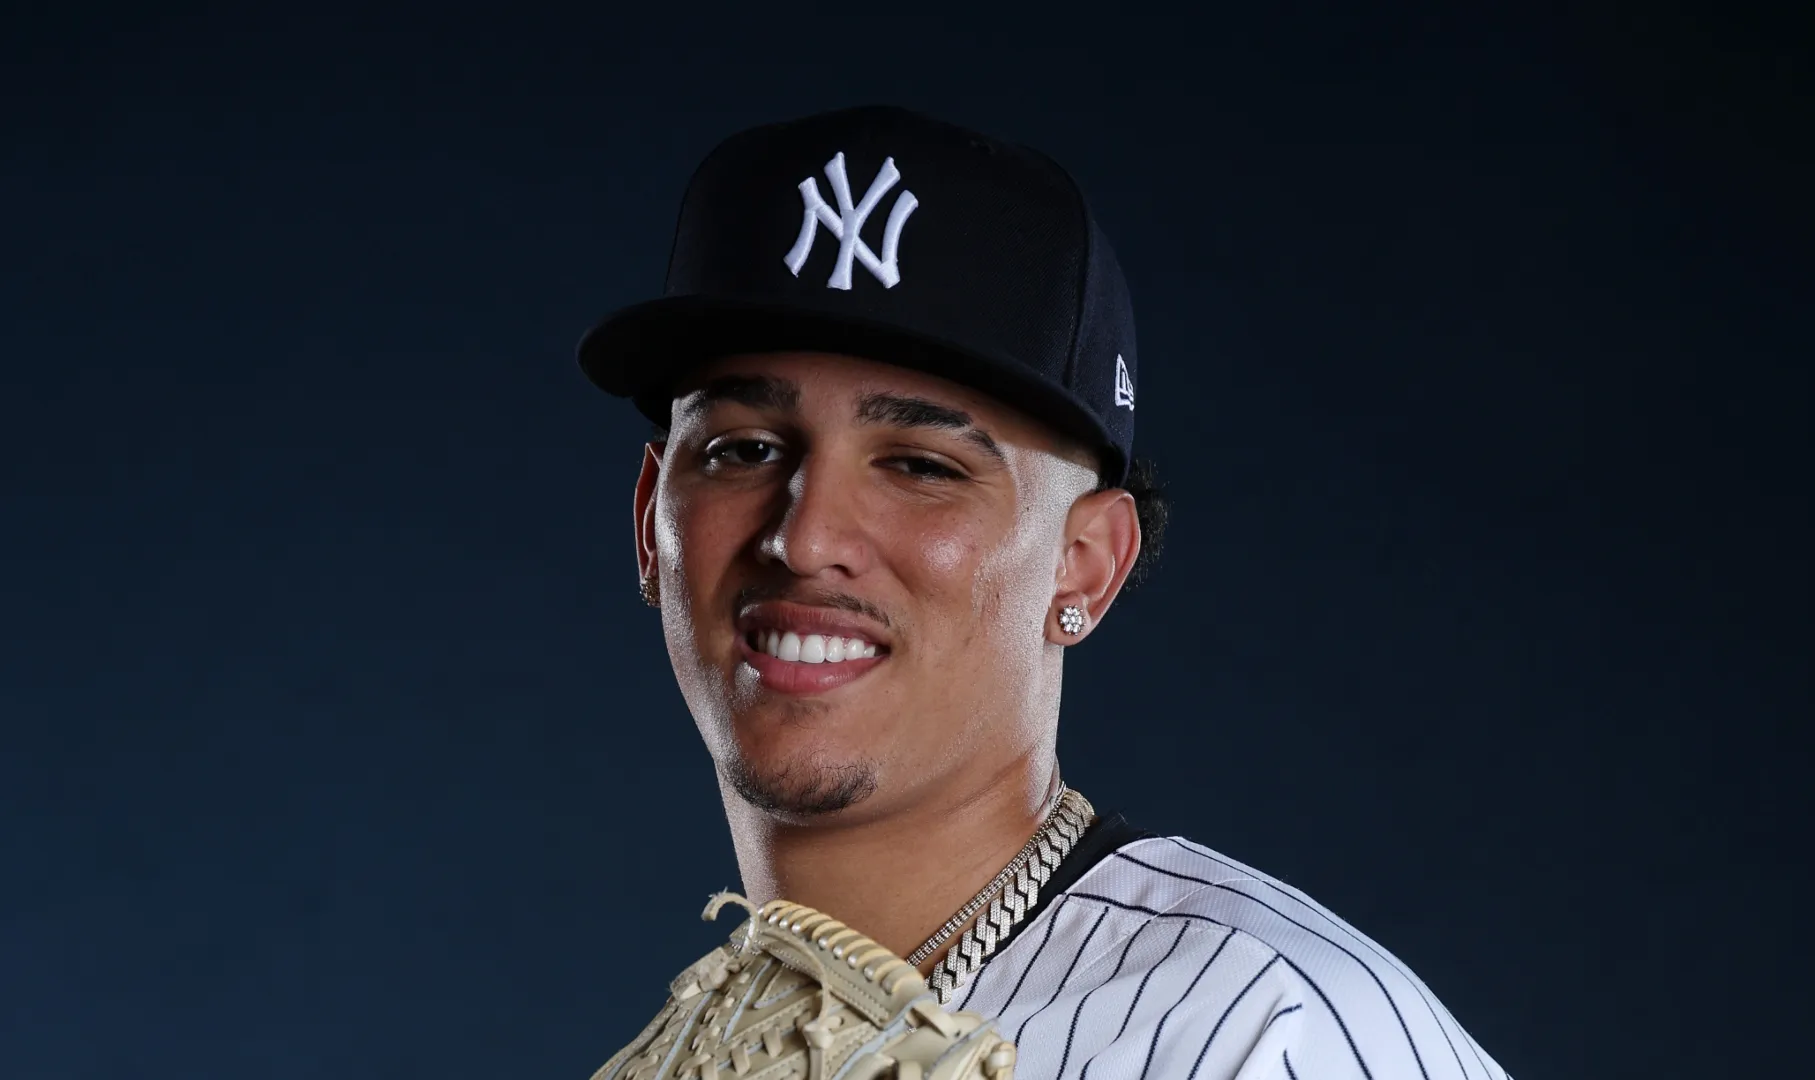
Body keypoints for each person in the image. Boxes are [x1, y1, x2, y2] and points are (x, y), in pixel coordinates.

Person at [575, 105, 1510, 1079]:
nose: (805, 537)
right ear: (651, 521)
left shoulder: (1263, 1030)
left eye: (921, 465)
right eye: (745, 450)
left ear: (1085, 564)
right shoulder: (711, 1048)